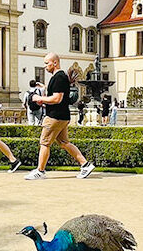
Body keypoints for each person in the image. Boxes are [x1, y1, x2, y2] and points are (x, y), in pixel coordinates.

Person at [26, 52, 95, 181]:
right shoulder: (60, 77)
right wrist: (44, 101)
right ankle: (85, 164)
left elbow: (57, 98)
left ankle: (40, 171)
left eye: (47, 63)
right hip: (62, 115)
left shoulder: (58, 77)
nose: (45, 66)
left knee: (44, 143)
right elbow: (58, 99)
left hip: (55, 117)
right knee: (64, 143)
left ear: (55, 63)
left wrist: (39, 98)